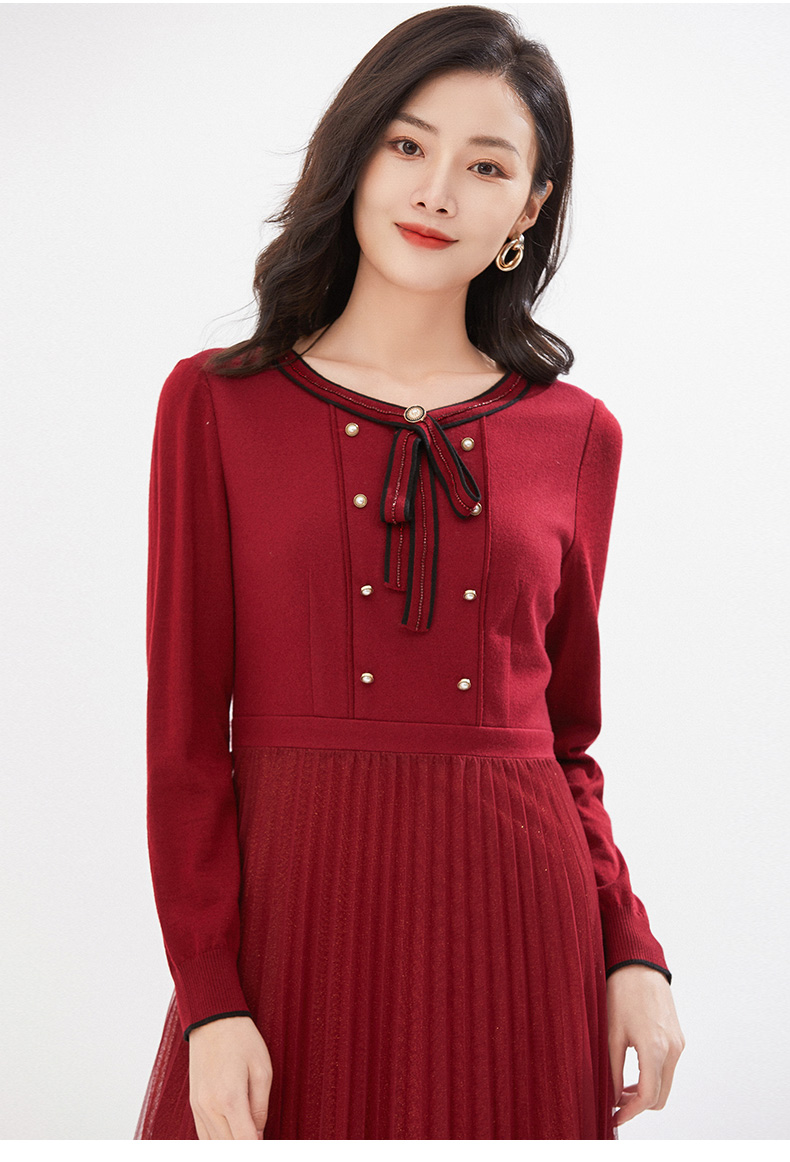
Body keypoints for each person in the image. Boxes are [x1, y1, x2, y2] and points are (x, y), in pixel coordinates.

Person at [134, 4, 685, 1141]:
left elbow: (565, 740)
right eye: (407, 144)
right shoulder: (216, 405)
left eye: (487, 166)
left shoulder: (580, 435)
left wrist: (630, 947)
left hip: (523, 942)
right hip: (290, 943)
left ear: (528, 209)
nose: (437, 193)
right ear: (356, 154)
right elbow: (185, 743)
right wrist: (210, 1000)